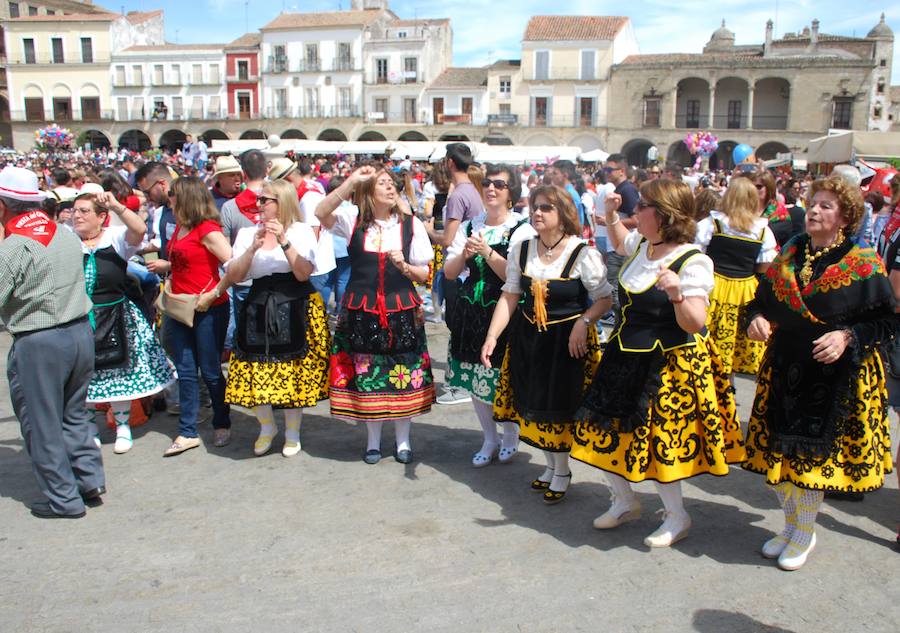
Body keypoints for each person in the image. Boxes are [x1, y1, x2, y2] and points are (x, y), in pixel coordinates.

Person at [570, 178, 744, 547]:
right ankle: (624, 500)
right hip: (624, 352)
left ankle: (677, 516)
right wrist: (612, 214)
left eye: (642, 206)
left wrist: (678, 295)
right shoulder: (642, 245)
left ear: (663, 215)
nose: (636, 211)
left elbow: (695, 323)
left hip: (667, 364)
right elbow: (618, 240)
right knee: (602, 428)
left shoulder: (693, 261)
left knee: (661, 443)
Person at [743, 177, 897, 570]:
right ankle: (792, 526)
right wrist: (757, 318)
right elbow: (759, 300)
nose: (814, 210)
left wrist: (846, 336)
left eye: (827, 206)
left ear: (845, 218)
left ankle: (805, 532)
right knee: (778, 460)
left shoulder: (863, 262)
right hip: (784, 368)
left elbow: (885, 322)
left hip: (833, 377)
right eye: (814, 203)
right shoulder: (791, 252)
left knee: (808, 467)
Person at [482, 185, 612, 503]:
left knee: (560, 407)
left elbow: (605, 299)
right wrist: (492, 336)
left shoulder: (582, 253)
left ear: (564, 214)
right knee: (534, 404)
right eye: (536, 207)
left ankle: (563, 470)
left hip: (568, 343)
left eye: (547, 208)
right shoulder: (523, 249)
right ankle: (551, 465)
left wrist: (583, 323)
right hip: (530, 339)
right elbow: (511, 294)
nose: (538, 213)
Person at [0, 166, 105, 518]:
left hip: (40, 338)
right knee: (74, 413)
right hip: (78, 331)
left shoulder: (13, 247)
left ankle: (64, 499)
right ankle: (88, 479)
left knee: (42, 421)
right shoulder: (62, 233)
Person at [316, 165, 434, 464]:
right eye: (382, 184)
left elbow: (423, 274)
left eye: (392, 183)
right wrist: (352, 181)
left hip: (401, 310)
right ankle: (372, 442)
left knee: (403, 374)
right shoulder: (351, 220)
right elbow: (320, 211)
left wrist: (405, 267)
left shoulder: (410, 225)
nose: (390, 187)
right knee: (366, 373)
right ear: (368, 192)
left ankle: (404, 442)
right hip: (361, 310)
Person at [224, 180, 328, 457]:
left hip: (295, 303)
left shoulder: (301, 232)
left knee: (292, 371)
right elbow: (235, 276)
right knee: (256, 370)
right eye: (258, 200)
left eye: (263, 200)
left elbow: (304, 273)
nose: (257, 205)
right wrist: (251, 249)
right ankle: (267, 428)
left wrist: (284, 241)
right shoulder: (247, 233)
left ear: (281, 202)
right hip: (258, 304)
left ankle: (292, 433)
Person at [71, 191, 175, 453]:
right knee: (85, 375)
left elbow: (139, 229)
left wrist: (117, 205)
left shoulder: (114, 239)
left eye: (85, 211)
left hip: (116, 313)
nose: (77, 215)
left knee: (119, 372)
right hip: (81, 316)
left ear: (102, 217)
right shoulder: (69, 241)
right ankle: (91, 428)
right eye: (75, 211)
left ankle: (123, 426)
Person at [443, 164, 533, 466]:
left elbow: (518, 276)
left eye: (499, 184)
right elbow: (450, 273)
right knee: (473, 377)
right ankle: (488, 437)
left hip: (505, 309)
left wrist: (487, 253)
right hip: (471, 310)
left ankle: (510, 434)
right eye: (488, 184)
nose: (491, 188)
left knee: (500, 376)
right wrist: (464, 254)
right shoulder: (472, 225)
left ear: (511, 194)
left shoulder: (522, 228)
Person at [162, 177, 234, 456]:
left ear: (185, 197)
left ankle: (222, 421)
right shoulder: (181, 226)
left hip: (208, 308)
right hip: (180, 306)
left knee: (212, 370)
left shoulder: (207, 229)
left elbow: (234, 265)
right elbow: (186, 260)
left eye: (172, 193)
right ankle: (187, 430)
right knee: (186, 370)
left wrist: (212, 293)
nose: (168, 198)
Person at [695, 177, 777, 376]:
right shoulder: (762, 230)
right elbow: (766, 267)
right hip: (744, 289)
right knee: (732, 343)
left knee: (704, 342)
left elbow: (696, 254)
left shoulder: (712, 223)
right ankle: (726, 382)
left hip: (713, 284)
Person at [737, 168, 803, 247]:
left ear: (769, 189)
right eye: (751, 186)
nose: (753, 190)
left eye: (759, 187)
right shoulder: (742, 208)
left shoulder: (779, 212)